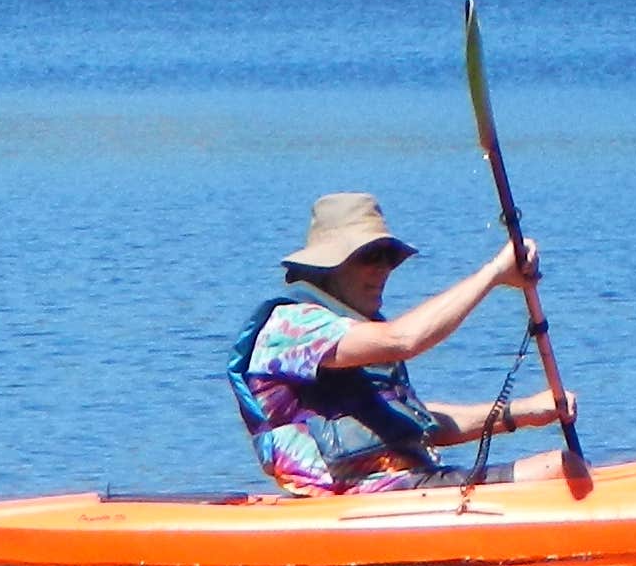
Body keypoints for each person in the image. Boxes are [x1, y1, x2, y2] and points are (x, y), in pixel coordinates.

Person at [230, 190, 564, 493]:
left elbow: (416, 422)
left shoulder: (362, 331)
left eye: (387, 257)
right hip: (347, 499)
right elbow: (405, 340)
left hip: (403, 487)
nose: (382, 269)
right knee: (557, 471)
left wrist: (524, 413)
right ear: (327, 267)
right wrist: (494, 274)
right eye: (368, 256)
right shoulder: (293, 327)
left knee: (565, 466)